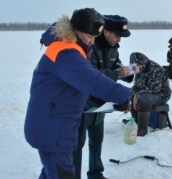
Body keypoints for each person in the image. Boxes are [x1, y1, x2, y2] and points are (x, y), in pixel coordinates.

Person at [24, 8, 131, 179]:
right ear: (76, 30)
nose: (91, 42)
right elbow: (93, 80)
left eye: (95, 37)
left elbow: (79, 89)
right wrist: (125, 95)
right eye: (89, 36)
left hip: (57, 127)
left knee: (52, 173)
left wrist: (105, 101)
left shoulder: (74, 48)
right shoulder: (66, 52)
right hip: (52, 129)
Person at [73, 15, 133, 179]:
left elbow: (115, 64)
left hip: (100, 104)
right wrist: (116, 74)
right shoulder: (90, 47)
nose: (119, 39)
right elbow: (90, 76)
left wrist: (128, 73)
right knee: (77, 145)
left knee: (97, 141)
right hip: (83, 104)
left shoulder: (113, 47)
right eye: (117, 35)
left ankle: (95, 173)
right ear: (105, 32)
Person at [126, 52, 172, 136]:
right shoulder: (138, 69)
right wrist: (134, 95)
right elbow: (136, 86)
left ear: (141, 63)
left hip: (161, 95)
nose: (135, 68)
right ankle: (135, 121)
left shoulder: (155, 68)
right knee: (130, 93)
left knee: (144, 97)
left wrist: (138, 95)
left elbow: (154, 89)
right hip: (146, 93)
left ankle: (142, 129)